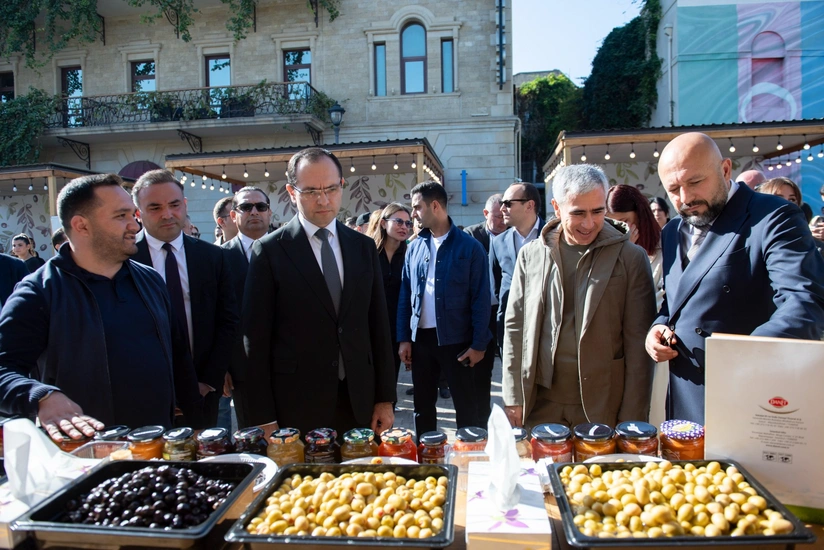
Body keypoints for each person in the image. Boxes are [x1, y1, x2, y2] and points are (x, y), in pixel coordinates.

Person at [0, 174, 203, 441]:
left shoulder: (150, 280)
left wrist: (195, 424)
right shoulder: (40, 291)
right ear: (81, 225)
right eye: (121, 216)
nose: (135, 225)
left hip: (158, 450)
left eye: (133, 214)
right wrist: (42, 396)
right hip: (85, 458)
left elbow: (179, 361)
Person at [645, 133, 824, 425]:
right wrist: (658, 327)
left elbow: (803, 303)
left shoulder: (774, 217)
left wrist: (741, 360)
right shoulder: (671, 230)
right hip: (686, 397)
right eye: (674, 189)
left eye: (694, 182)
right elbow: (678, 301)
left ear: (725, 169)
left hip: (750, 397)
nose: (686, 198)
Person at [242, 147, 396, 438]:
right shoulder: (270, 251)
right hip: (297, 405)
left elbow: (378, 326)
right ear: (291, 191)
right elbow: (255, 340)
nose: (323, 200)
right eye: (311, 191)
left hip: (358, 401)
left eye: (330, 189)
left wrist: (385, 398)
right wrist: (263, 418)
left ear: (341, 186)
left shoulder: (362, 247)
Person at [501, 164, 655, 429]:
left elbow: (638, 344)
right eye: (578, 213)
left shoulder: (630, 257)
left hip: (604, 404)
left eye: (598, 211)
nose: (589, 223)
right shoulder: (531, 255)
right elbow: (516, 327)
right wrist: (514, 396)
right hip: (540, 402)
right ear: (557, 208)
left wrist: (632, 414)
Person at [131, 169, 239, 426]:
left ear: (184, 205)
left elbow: (228, 321)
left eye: (174, 205)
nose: (167, 214)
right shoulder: (124, 259)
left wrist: (207, 381)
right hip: (144, 396)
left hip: (203, 392)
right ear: (138, 214)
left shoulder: (213, 257)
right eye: (155, 207)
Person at [397, 181, 492, 436]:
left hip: (458, 341)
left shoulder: (470, 248)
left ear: (435, 206)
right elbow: (405, 295)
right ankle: (426, 461)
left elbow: (481, 298)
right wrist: (404, 338)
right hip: (422, 341)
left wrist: (479, 344)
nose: (413, 214)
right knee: (422, 407)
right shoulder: (414, 247)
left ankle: (470, 461)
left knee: (466, 407)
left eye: (417, 207)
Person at [222, 186, 272, 428]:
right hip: (242, 368)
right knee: (252, 438)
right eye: (245, 207)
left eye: (261, 207)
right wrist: (221, 367)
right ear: (233, 215)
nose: (254, 212)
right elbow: (215, 317)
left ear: (269, 213)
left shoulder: (289, 251)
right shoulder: (218, 258)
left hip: (289, 366)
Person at [491, 183, 545, 349]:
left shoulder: (553, 236)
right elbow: (496, 287)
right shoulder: (498, 242)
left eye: (508, 203)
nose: (502, 209)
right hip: (510, 329)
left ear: (529, 205)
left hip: (546, 325)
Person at [371, 203, 412, 389]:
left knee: (390, 380)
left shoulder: (410, 254)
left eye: (408, 223)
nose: (404, 227)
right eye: (398, 221)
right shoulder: (368, 252)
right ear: (382, 223)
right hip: (370, 327)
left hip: (398, 328)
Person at [607, 185, 664, 309]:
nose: (619, 229)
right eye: (612, 224)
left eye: (623, 221)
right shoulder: (608, 250)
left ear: (639, 215)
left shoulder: (664, 246)